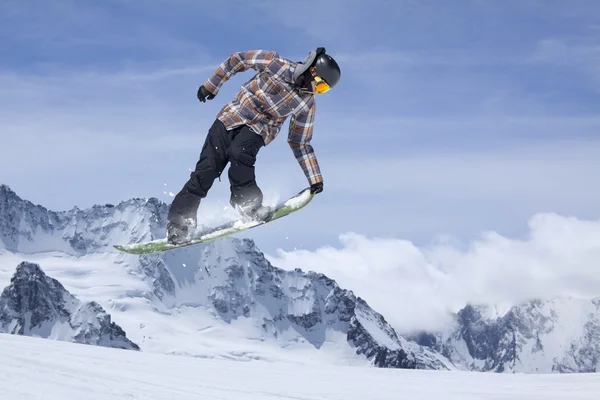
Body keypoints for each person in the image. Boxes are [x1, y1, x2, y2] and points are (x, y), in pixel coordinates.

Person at [166, 47, 341, 244]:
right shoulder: (275, 63)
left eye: (323, 90)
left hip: (260, 128)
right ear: (311, 70)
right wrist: (211, 85)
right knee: (206, 171)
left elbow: (299, 141)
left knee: (240, 152)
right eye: (319, 85)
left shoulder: (306, 103)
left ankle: (249, 205)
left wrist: (314, 178)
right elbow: (238, 60)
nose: (316, 91)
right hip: (231, 116)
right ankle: (179, 224)